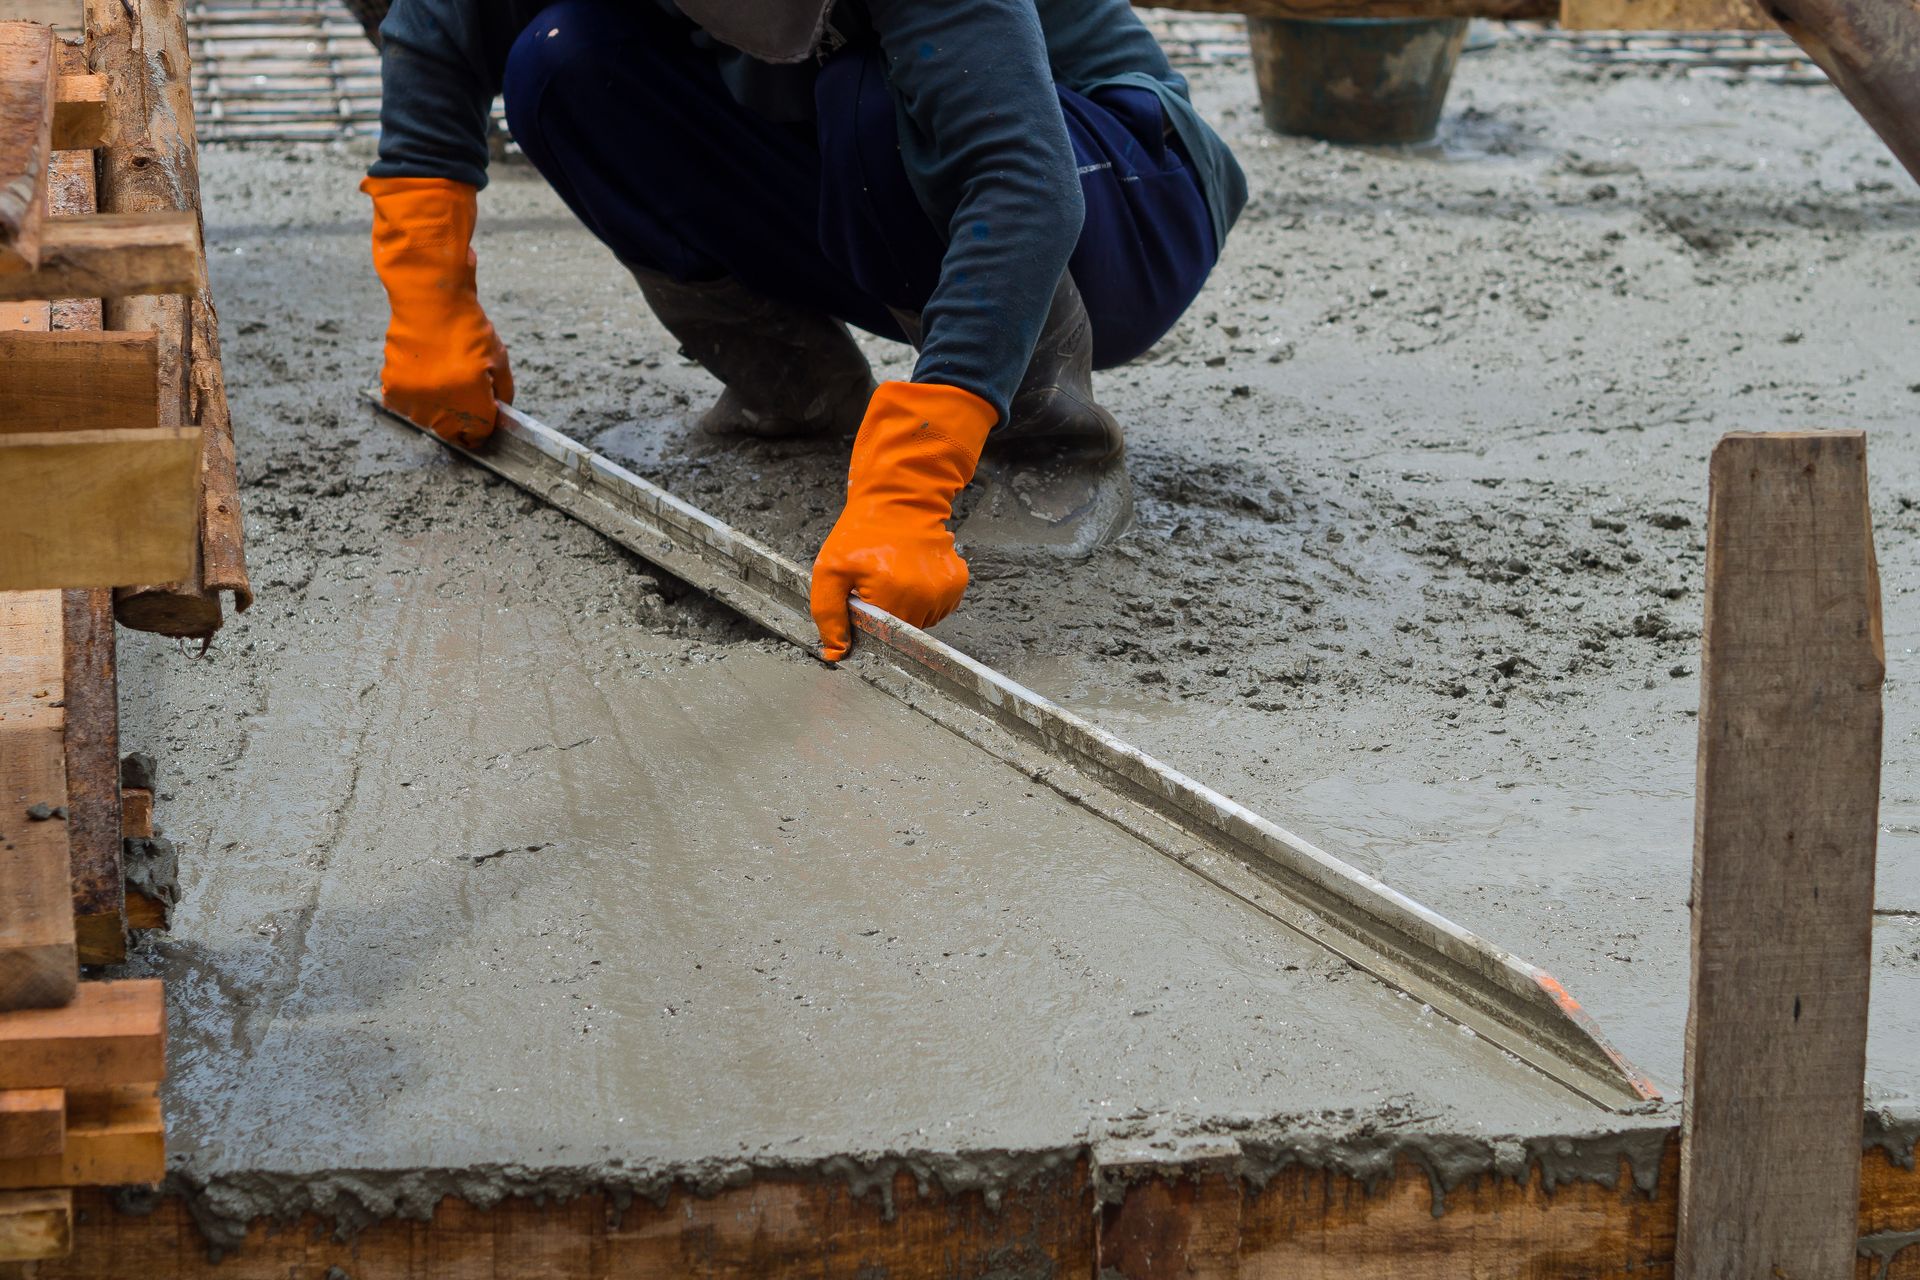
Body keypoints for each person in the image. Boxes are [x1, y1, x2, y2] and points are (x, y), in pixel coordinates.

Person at [363, 0, 1245, 659]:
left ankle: (1050, 445)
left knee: (871, 104)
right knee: (562, 62)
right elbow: (438, 26)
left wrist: (913, 480)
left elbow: (1022, 182)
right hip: (869, 167)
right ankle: (794, 394)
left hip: (1124, 196)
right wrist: (427, 293)